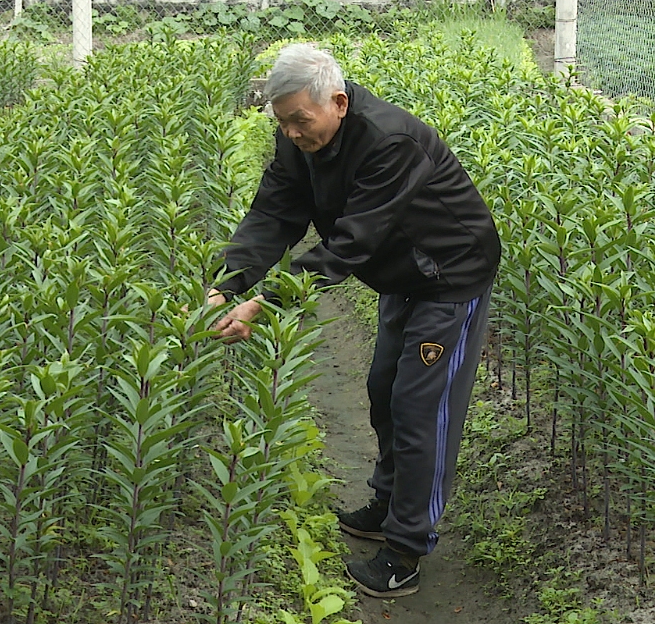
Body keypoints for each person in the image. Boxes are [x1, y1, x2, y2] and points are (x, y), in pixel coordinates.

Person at [207, 43, 501, 599]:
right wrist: (228, 285)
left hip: (449, 274)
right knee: (383, 388)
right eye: (283, 122)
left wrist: (265, 305)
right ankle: (388, 503)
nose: (293, 133)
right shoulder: (299, 138)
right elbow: (275, 211)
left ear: (338, 102)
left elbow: (349, 244)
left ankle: (407, 549)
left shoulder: (390, 142)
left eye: (301, 120)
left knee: (421, 407)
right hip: (401, 274)